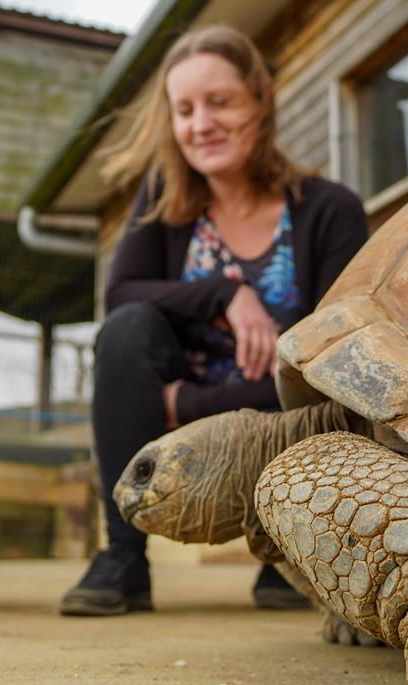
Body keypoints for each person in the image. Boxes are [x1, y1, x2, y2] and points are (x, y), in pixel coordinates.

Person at [58, 25, 369, 616]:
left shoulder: (330, 211)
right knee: (126, 332)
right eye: (185, 109)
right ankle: (123, 557)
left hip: (284, 424)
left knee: (328, 378)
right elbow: (120, 295)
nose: (201, 123)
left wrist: (184, 405)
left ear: (260, 102)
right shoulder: (161, 200)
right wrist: (223, 293)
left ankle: (295, 544)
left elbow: (336, 368)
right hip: (178, 434)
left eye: (220, 102)